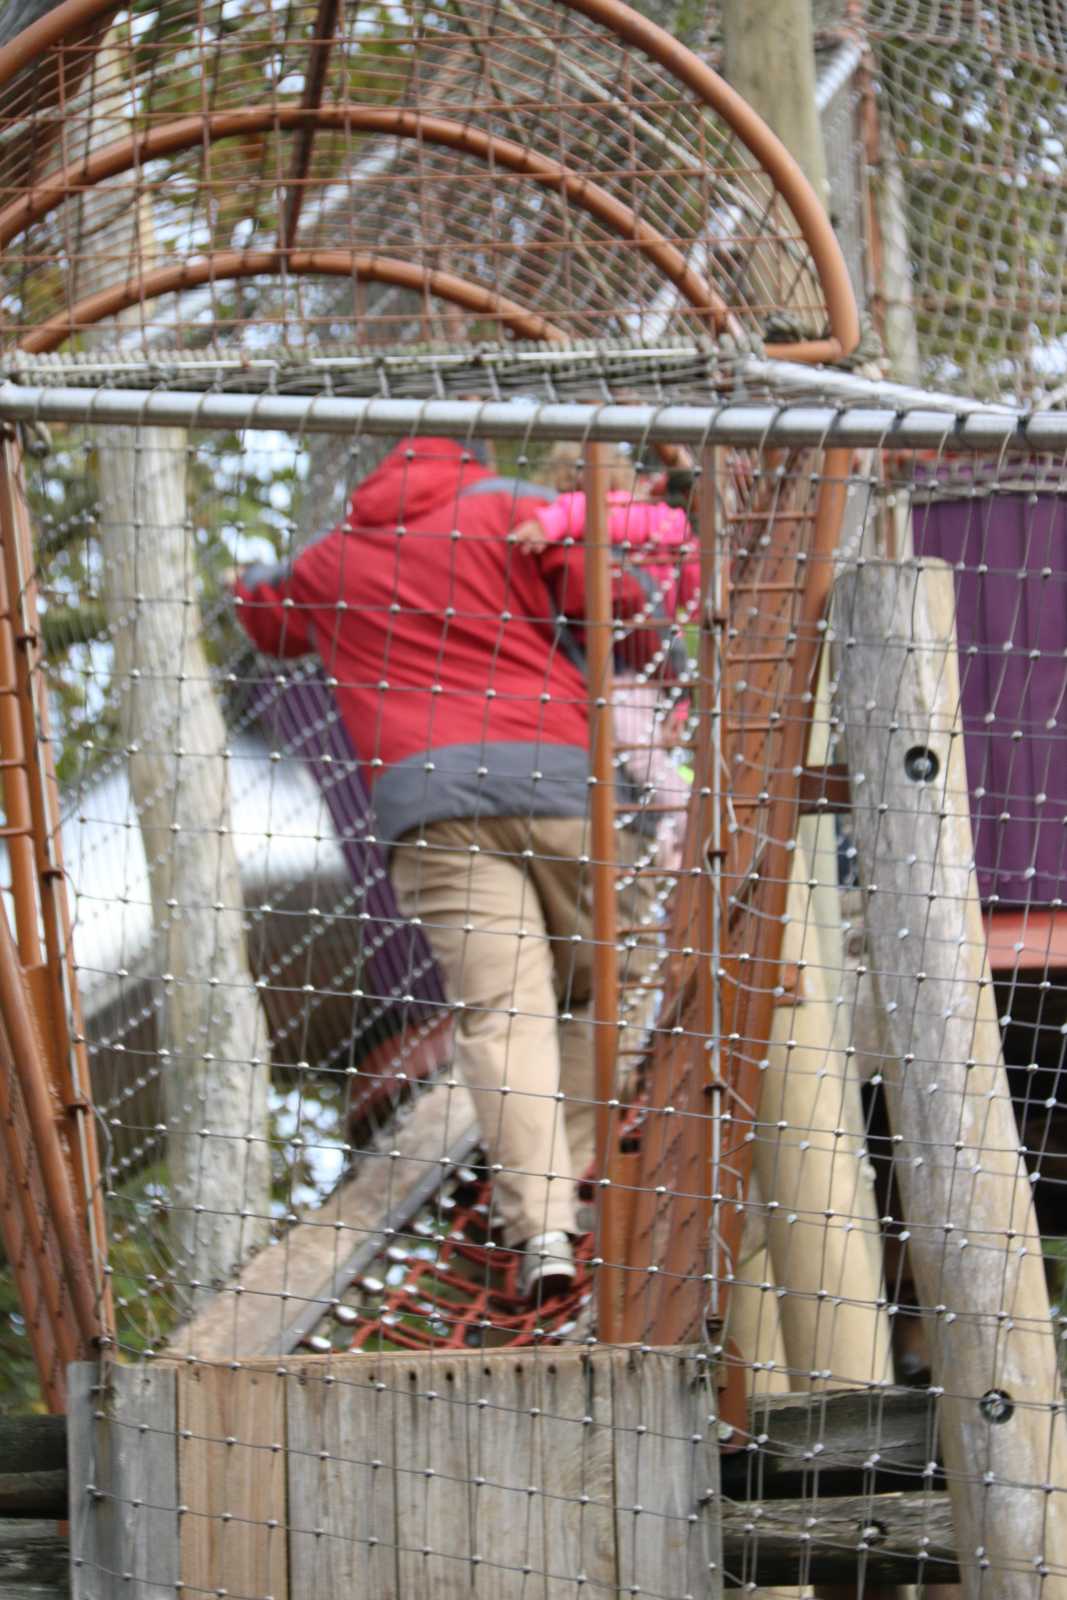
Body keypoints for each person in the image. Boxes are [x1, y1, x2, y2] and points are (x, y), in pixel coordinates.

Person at [232, 436, 660, 1303]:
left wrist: (254, 574)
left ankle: (540, 1226)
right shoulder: (515, 509)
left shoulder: (330, 560)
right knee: (611, 980)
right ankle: (578, 1164)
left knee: (501, 1015)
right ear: (465, 458)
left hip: (428, 807)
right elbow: (620, 605)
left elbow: (264, 619)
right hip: (558, 782)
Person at [512, 454, 699, 870]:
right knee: (637, 757)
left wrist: (550, 524)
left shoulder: (624, 517)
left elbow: (593, 515)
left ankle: (686, 812)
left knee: (636, 753)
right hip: (658, 657)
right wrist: (681, 705)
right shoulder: (666, 523)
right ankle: (670, 839)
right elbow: (690, 598)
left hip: (625, 662)